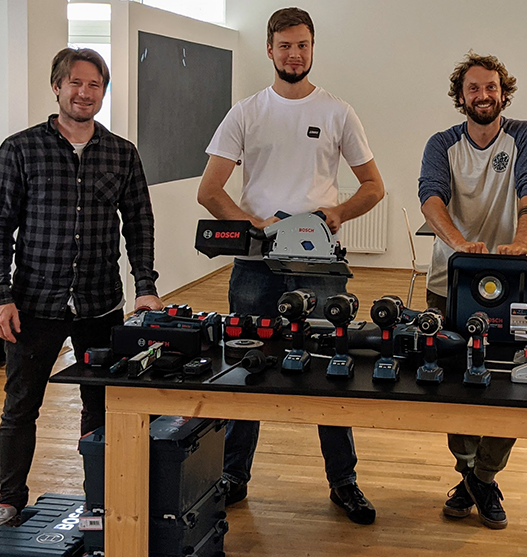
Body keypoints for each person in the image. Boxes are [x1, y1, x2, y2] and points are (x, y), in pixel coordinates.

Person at [197, 7, 385, 525]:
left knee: (332, 370)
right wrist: (259, 226)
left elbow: (373, 187)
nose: (294, 54)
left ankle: (343, 481)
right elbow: (210, 190)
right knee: (246, 367)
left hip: (320, 264)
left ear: (312, 47)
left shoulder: (338, 112)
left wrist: (338, 213)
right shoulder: (246, 112)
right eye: (285, 45)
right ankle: (233, 476)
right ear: (269, 50)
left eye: (302, 45)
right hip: (257, 265)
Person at [0, 48, 162, 531]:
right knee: (20, 407)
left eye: (94, 85)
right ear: (57, 87)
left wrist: (145, 286)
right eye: (76, 83)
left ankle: (99, 500)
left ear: (103, 92)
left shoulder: (122, 153)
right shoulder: (19, 149)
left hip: (100, 304)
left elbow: (139, 224)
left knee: (101, 407)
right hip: (33, 305)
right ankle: (8, 502)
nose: (85, 93)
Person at [418, 52, 527, 530]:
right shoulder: (442, 144)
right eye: (473, 87)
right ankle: (470, 474)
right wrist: (459, 245)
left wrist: (521, 242)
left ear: (503, 92)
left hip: (509, 281)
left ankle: (483, 477)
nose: (483, 94)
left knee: (510, 383)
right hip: (450, 282)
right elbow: (430, 196)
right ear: (461, 96)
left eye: (491, 86)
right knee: (455, 384)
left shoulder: (525, 136)